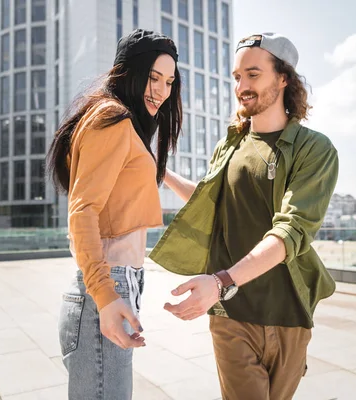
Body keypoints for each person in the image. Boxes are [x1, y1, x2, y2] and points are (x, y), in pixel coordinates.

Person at [151, 32, 339, 399]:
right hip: (232, 314)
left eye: (253, 74)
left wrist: (220, 280)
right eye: (237, 77)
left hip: (288, 313)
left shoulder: (314, 149)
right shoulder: (230, 144)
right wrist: (163, 174)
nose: (242, 86)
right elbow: (211, 204)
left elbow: (291, 230)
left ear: (283, 78)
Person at [47, 29, 181, 399]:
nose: (162, 90)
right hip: (107, 285)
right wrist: (106, 296)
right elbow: (82, 211)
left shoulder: (126, 125)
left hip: (120, 283)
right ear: (128, 72)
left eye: (169, 81)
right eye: (153, 77)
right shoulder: (112, 117)